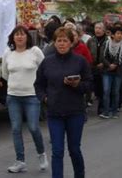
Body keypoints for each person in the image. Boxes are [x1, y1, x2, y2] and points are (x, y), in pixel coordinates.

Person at [34, 27, 93, 178]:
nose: (61, 44)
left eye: (65, 40)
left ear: (71, 42)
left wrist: (77, 85)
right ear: (54, 42)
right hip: (55, 113)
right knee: (57, 151)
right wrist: (44, 98)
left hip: (75, 112)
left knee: (74, 150)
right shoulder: (47, 62)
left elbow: (89, 85)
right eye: (58, 40)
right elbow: (38, 85)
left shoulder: (80, 61)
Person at [1, 25, 48, 173]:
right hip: (13, 96)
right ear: (12, 38)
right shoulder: (8, 53)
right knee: (16, 129)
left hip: (32, 96)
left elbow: (45, 70)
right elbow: (5, 74)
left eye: (22, 34)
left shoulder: (35, 52)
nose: (20, 37)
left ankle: (41, 154)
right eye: (17, 35)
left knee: (33, 127)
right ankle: (20, 161)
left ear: (27, 37)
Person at [100, 24, 122, 119]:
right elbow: (102, 56)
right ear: (112, 35)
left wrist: (114, 65)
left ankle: (114, 111)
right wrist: (109, 65)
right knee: (106, 90)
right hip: (107, 71)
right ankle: (106, 111)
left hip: (118, 72)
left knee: (115, 91)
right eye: (117, 33)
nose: (119, 35)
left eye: (121, 33)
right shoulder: (106, 43)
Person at [86, 22, 108, 115]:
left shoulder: (108, 40)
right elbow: (87, 53)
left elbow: (111, 54)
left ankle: (102, 108)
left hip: (104, 68)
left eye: (99, 28)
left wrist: (104, 63)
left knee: (103, 89)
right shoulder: (91, 40)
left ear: (104, 30)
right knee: (94, 88)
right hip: (93, 68)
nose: (97, 30)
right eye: (96, 28)